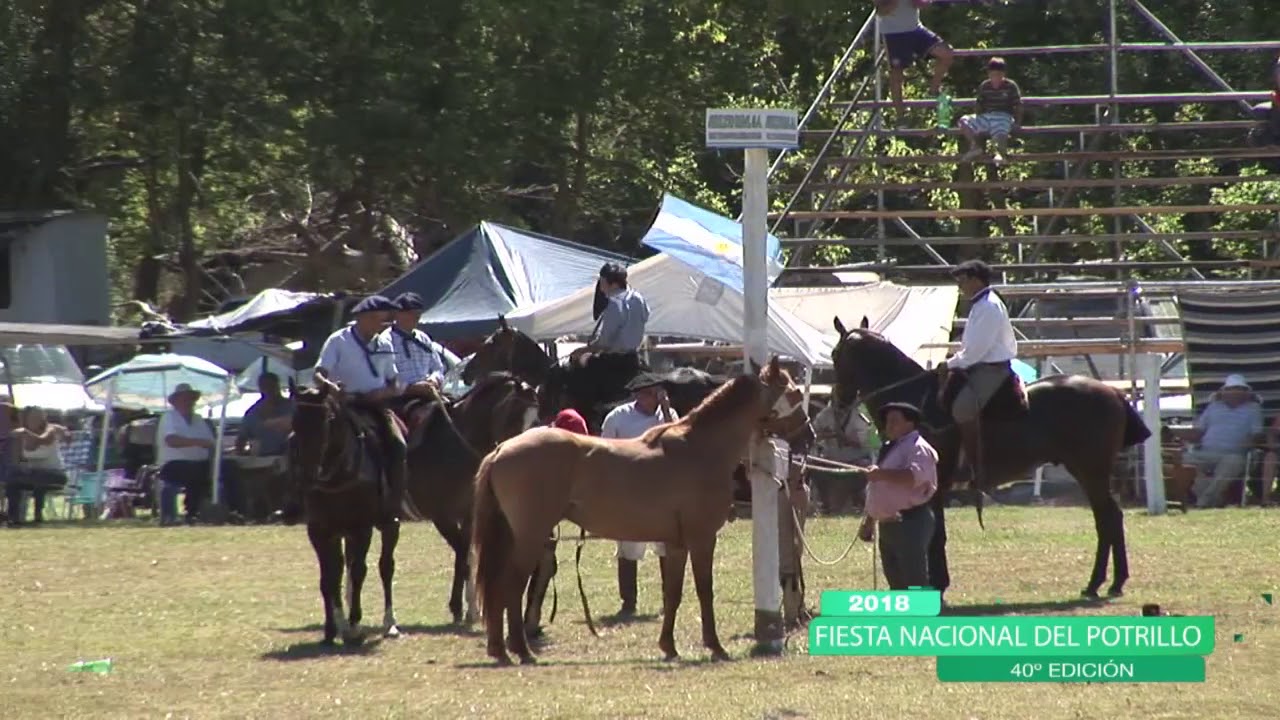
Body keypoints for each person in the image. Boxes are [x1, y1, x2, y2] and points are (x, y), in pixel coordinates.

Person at [313, 294, 405, 522]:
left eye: (383, 320)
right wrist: (332, 388)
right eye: (377, 319)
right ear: (362, 318)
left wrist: (383, 393)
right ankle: (299, 496)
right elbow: (318, 374)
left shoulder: (384, 343)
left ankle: (393, 500)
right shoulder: (338, 340)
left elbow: (394, 382)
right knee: (306, 439)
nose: (381, 325)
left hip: (375, 406)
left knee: (398, 443)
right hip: (343, 405)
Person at [600, 373, 677, 617]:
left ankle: (669, 599)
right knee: (629, 547)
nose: (654, 398)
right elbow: (604, 451)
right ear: (638, 395)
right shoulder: (617, 418)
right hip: (630, 489)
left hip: (662, 489)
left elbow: (676, 441)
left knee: (666, 545)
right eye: (649, 394)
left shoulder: (668, 416)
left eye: (657, 393)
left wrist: (665, 411)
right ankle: (629, 602)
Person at [943, 259, 1017, 480]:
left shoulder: (988, 307)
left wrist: (948, 364)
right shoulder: (981, 304)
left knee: (962, 409)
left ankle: (977, 465)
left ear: (976, 280)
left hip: (990, 369)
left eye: (963, 281)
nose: (960, 286)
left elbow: (976, 352)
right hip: (979, 364)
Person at [856, 402, 939, 590]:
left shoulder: (919, 448)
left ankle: (921, 617)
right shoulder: (891, 448)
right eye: (887, 421)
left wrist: (881, 474)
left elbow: (913, 477)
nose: (889, 425)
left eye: (895, 421)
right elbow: (880, 489)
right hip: (889, 524)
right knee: (896, 581)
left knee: (914, 578)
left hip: (911, 521)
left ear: (910, 424)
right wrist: (869, 520)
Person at [524, 408, 592, 637]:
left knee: (545, 564)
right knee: (534, 563)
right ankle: (522, 619)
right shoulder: (536, 447)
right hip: (527, 513)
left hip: (543, 516)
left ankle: (531, 617)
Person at [157, 383, 240, 525]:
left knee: (230, 467)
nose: (188, 402)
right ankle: (191, 512)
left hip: (199, 463)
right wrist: (199, 442)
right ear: (176, 401)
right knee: (194, 472)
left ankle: (234, 509)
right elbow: (172, 440)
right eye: (185, 398)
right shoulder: (169, 417)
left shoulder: (199, 419)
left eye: (191, 398)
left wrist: (217, 454)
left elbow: (211, 443)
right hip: (173, 465)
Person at [1181, 375, 1264, 508]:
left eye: (1239, 389)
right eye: (1231, 389)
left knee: (1233, 463)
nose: (1235, 392)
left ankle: (1204, 501)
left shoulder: (1253, 409)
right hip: (1206, 453)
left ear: (1245, 392)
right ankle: (1213, 499)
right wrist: (1175, 433)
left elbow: (1258, 434)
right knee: (1183, 459)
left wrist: (1250, 442)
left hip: (1235, 454)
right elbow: (1198, 432)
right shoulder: (1213, 407)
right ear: (1224, 392)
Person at [874, 0, 954, 121]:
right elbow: (880, 12)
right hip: (893, 34)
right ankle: (901, 117)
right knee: (896, 75)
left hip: (915, 29)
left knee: (946, 53)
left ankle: (934, 89)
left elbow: (922, 4)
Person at [383, 291, 460, 397]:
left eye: (417, 314)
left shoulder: (423, 338)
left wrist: (434, 380)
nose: (415, 317)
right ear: (397, 314)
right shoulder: (385, 340)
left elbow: (438, 367)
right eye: (410, 313)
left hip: (428, 392)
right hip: (400, 397)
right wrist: (411, 388)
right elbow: (384, 375)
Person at [575, 263, 649, 369]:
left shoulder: (614, 304)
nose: (600, 287)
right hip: (633, 357)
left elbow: (604, 342)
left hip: (615, 360)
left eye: (602, 282)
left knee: (579, 361)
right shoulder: (638, 297)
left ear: (614, 285)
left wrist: (583, 350)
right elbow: (645, 316)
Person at [6, 406, 69, 526]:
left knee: (38, 477)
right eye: (32, 417)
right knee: (12, 481)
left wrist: (25, 433)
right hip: (35, 475)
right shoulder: (22, 436)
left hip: (56, 475)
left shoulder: (50, 431)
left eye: (39, 417)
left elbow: (42, 453)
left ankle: (38, 516)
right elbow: (18, 460)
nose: (35, 420)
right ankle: (13, 518)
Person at [959, 57, 1023, 166]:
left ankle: (1001, 153)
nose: (995, 78)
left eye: (998, 75)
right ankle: (975, 146)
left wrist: (1017, 122)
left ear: (1003, 74)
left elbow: (1018, 105)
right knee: (963, 121)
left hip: (1004, 115)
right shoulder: (985, 86)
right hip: (987, 115)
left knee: (1000, 127)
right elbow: (979, 104)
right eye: (993, 75)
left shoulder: (1011, 86)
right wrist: (979, 118)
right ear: (989, 74)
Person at [236, 373, 293, 457]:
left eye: (272, 386)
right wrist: (244, 455)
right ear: (260, 388)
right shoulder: (252, 413)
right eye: (265, 387)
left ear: (278, 386)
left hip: (290, 457)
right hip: (262, 460)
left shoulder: (292, 407)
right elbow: (241, 440)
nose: (269, 390)